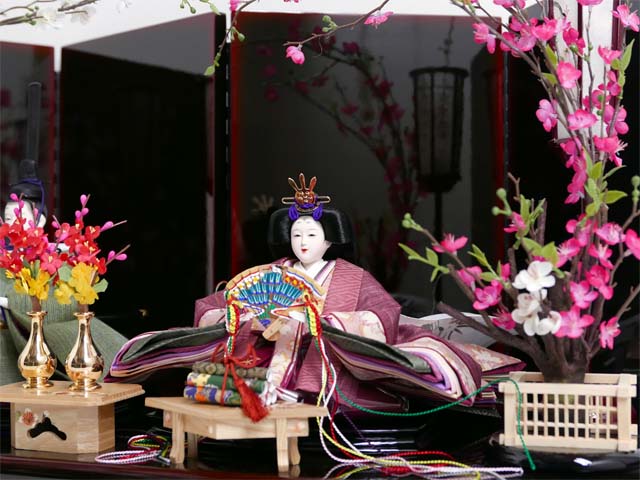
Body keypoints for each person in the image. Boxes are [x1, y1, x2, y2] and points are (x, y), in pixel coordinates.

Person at [108, 174, 523, 410]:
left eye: (312, 233)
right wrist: (249, 319)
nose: (303, 241)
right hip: (262, 369)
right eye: (296, 233)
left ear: (330, 241)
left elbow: (382, 315)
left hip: (329, 373)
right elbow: (212, 309)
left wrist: (321, 321)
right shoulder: (268, 274)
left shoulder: (351, 277)